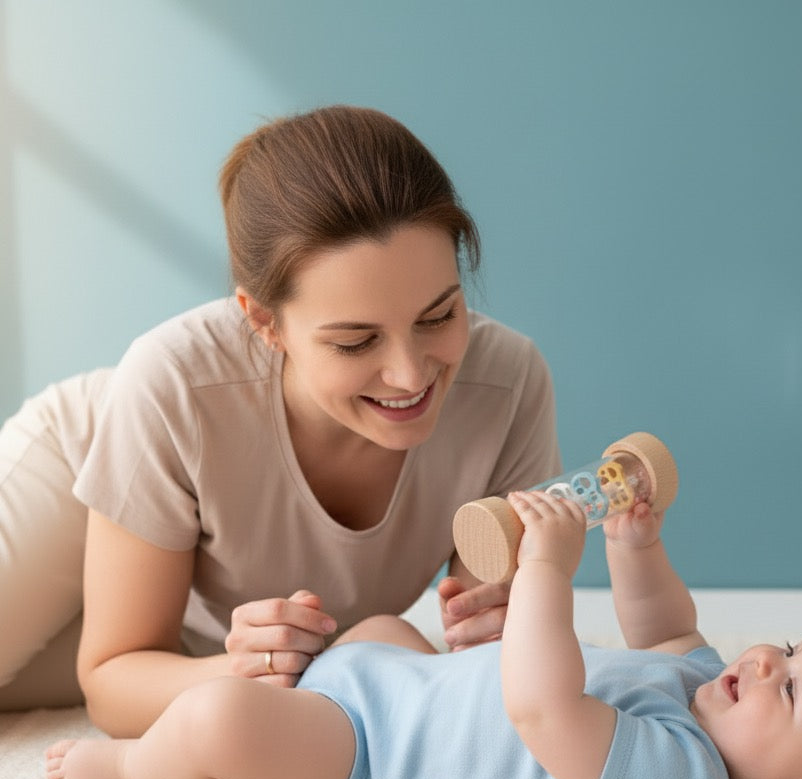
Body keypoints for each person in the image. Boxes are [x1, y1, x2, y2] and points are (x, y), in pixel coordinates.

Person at [0, 106, 561, 729]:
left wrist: (511, 624)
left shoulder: (507, 388)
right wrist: (238, 671)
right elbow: (112, 685)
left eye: (438, 317)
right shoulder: (172, 384)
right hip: (80, 490)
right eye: (355, 341)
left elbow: (483, 660)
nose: (409, 375)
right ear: (264, 322)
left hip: (201, 630)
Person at [46, 488, 802, 779]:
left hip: (364, 766)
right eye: (795, 650)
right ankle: (344, 667)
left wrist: (547, 573)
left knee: (220, 720)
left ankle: (133, 770)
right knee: (375, 627)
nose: (768, 661)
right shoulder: (706, 695)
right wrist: (635, 544)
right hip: (400, 692)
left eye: (793, 689)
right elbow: (666, 627)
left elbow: (538, 707)